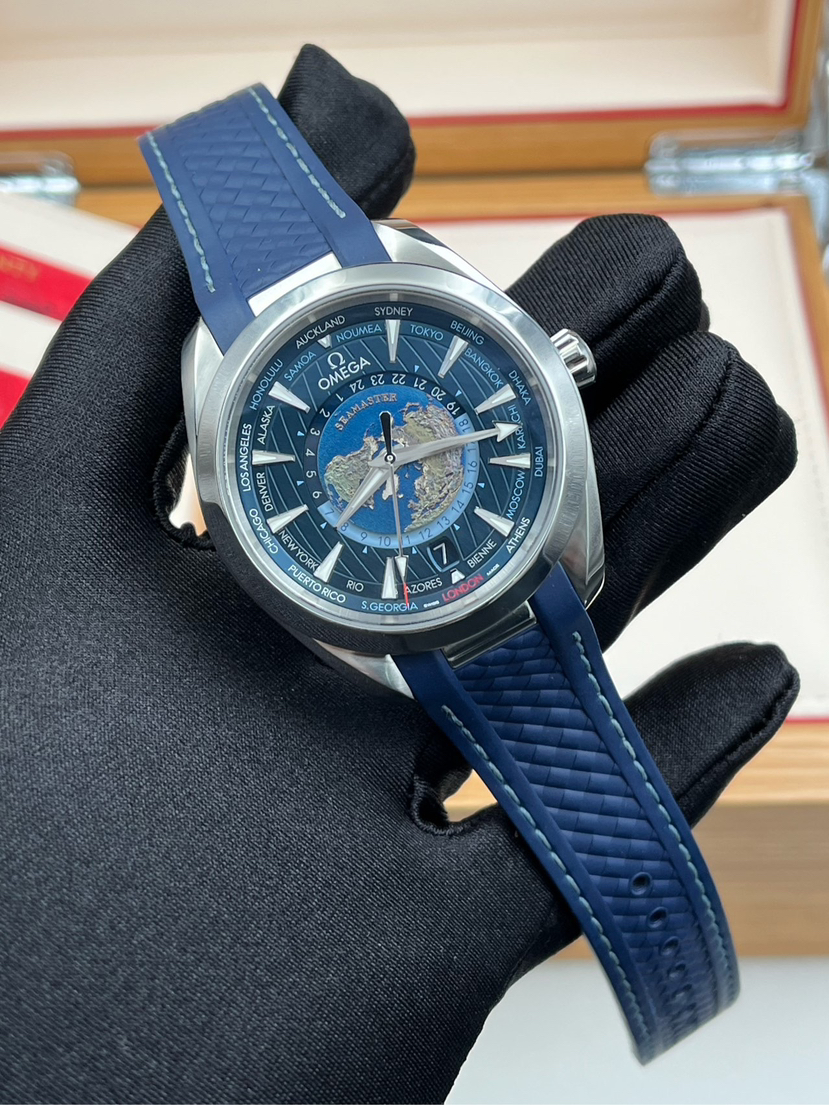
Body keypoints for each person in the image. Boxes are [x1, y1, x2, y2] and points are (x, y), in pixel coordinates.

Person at [0, 45, 798, 1105]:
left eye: (399, 453)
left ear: (556, 359)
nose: (385, 460)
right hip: (377, 581)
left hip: (483, 559)